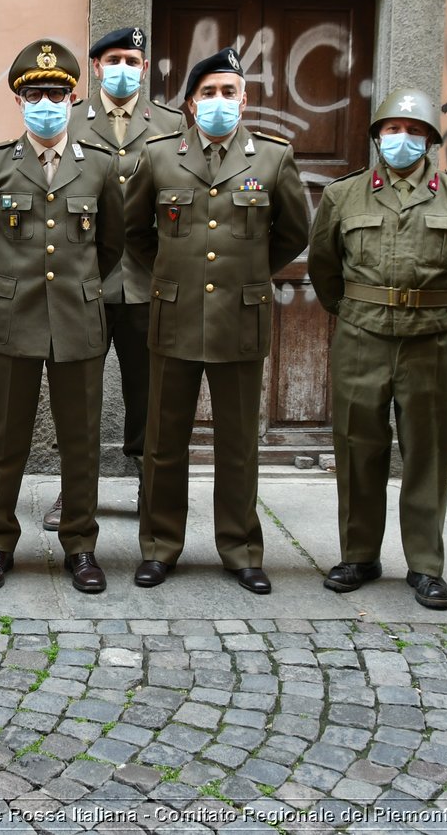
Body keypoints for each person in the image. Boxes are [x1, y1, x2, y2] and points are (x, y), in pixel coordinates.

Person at [124, 47, 310, 593]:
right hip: (175, 316)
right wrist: (167, 272)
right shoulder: (160, 158)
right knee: (163, 441)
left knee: (237, 442)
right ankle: (160, 547)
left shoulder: (272, 159)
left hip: (240, 319)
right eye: (208, 94)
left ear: (245, 101)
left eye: (229, 93)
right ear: (189, 105)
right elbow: (134, 233)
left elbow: (295, 232)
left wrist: (251, 272)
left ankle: (241, 549)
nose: (219, 102)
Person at [308, 88, 447, 610]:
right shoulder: (345, 196)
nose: (402, 139)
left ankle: (426, 565)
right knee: (357, 447)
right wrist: (353, 312)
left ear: (431, 140)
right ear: (377, 137)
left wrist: (434, 312)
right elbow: (324, 268)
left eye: (414, 132)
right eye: (392, 130)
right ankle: (359, 554)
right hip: (361, 337)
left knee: (427, 453)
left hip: (430, 340)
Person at [0, 39, 124, 593]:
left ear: (74, 97)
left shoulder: (100, 167)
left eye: (56, 94)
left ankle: (80, 545)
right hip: (14, 320)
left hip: (78, 323)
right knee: (5, 441)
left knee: (80, 440)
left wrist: (77, 289)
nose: (46, 103)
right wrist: (10, 285)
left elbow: (112, 246)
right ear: (19, 100)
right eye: (35, 94)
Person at [40, 26, 180, 531]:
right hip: (84, 283)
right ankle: (75, 492)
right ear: (96, 67)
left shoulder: (169, 123)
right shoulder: (67, 118)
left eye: (134, 60)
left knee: (151, 392)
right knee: (77, 393)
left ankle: (150, 487)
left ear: (145, 69)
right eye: (114, 59)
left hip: (148, 282)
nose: (125, 68)